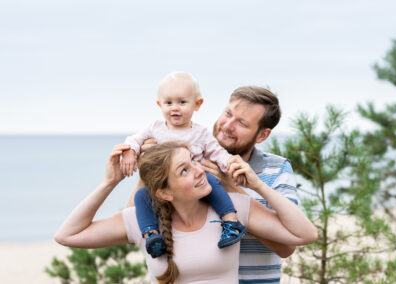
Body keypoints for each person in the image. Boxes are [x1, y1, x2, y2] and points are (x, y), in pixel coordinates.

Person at [55, 142, 318, 284]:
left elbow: (305, 234)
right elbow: (68, 235)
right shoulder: (145, 223)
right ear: (165, 193)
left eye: (193, 160)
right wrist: (109, 183)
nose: (199, 169)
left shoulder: (233, 209)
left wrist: (258, 186)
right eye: (184, 170)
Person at [132, 86, 299, 283]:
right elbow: (132, 225)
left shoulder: (277, 170)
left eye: (242, 123)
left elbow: (286, 247)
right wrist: (150, 169)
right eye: (228, 114)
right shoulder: (190, 163)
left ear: (262, 135)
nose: (227, 125)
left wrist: (231, 190)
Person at [120, 72, 246, 258]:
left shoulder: (200, 133)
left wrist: (229, 165)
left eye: (182, 102)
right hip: (164, 183)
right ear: (159, 104)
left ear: (197, 104)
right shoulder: (154, 127)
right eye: (168, 103)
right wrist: (130, 151)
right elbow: (135, 139)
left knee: (212, 182)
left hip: (193, 181)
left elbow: (218, 153)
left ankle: (231, 222)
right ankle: (151, 235)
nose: (175, 108)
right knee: (141, 196)